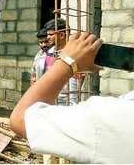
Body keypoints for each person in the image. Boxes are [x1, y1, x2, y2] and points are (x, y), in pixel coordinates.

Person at [10, 32, 134, 163]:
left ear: (62, 35)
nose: (46, 41)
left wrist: (68, 63)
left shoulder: (107, 117)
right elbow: (36, 75)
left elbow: (22, 119)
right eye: (42, 40)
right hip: (50, 104)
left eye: (50, 36)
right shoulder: (41, 56)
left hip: (65, 105)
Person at [44, 18, 79, 105]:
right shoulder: (49, 52)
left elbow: (75, 82)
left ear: (62, 35)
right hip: (51, 98)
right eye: (47, 35)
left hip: (67, 100)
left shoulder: (73, 53)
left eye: (51, 34)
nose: (48, 38)